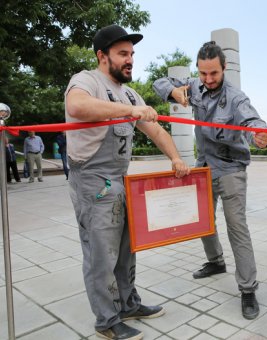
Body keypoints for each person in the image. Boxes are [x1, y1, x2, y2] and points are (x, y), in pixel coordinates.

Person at [64, 24, 190, 340]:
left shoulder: (129, 92)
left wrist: (175, 158)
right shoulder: (85, 81)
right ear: (102, 56)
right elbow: (76, 106)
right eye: (123, 53)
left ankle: (128, 303)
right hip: (93, 181)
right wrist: (130, 110)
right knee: (100, 254)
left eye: (132, 53)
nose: (130, 59)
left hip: (121, 180)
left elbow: (156, 129)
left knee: (126, 249)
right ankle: (107, 320)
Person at [153, 41, 267, 320]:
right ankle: (216, 262)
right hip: (203, 165)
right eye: (203, 73)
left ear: (224, 68)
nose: (208, 79)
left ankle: (248, 289)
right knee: (203, 220)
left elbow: (253, 121)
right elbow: (160, 82)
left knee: (236, 227)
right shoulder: (194, 86)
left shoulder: (236, 97)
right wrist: (172, 91)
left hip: (230, 169)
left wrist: (260, 136)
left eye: (213, 74)